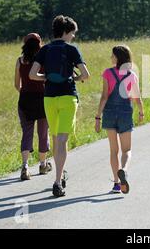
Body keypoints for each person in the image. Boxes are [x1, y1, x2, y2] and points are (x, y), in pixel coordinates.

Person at [29, 16, 90, 197]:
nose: (73, 37)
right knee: (62, 140)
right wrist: (75, 78)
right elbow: (86, 74)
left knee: (56, 139)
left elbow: (33, 75)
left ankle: (60, 174)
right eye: (72, 33)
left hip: (49, 98)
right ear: (65, 32)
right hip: (67, 97)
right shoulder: (71, 49)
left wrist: (46, 78)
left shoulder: (45, 49)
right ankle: (57, 181)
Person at [95, 45, 144, 194]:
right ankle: (123, 170)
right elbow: (137, 98)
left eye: (112, 55)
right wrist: (141, 112)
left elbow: (104, 97)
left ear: (117, 58)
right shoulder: (132, 75)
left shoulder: (107, 73)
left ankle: (116, 183)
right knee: (127, 150)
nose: (110, 58)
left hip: (109, 113)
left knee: (113, 151)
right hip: (125, 113)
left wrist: (98, 117)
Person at [15, 33, 52, 181]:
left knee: (27, 133)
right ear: (40, 44)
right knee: (43, 133)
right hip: (42, 99)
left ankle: (25, 166)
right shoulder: (43, 60)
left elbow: (17, 85)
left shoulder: (20, 61)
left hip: (25, 100)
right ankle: (43, 164)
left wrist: (25, 92)